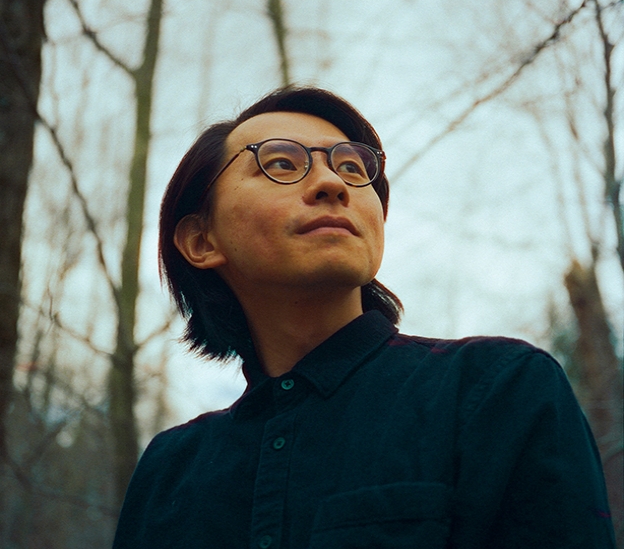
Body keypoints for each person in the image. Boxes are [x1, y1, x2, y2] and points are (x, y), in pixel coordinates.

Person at [113, 87, 616, 548]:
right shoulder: (167, 473)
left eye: (354, 169)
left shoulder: (499, 390)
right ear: (201, 241)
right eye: (281, 163)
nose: (333, 183)